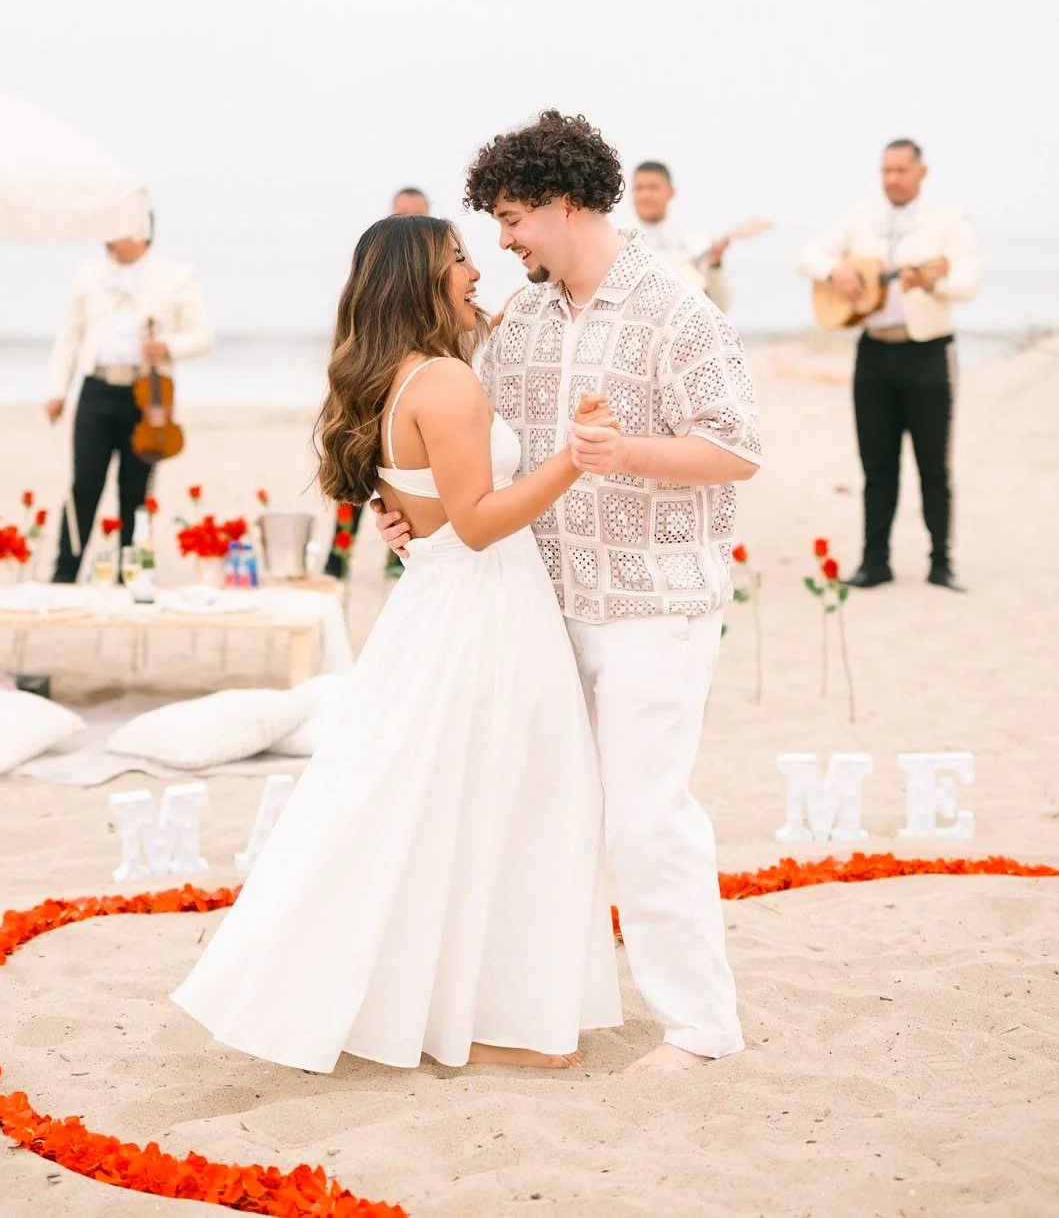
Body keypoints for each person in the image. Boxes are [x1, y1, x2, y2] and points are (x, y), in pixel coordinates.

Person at [172, 214, 622, 1072]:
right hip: (481, 612)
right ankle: (488, 1021)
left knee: (442, 804)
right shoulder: (445, 384)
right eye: (458, 258)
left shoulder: (395, 379)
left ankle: (458, 1008)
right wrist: (574, 457)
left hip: (440, 606)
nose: (475, 269)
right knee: (506, 801)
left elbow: (416, 505)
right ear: (420, 277)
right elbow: (481, 523)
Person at [378, 111, 762, 1071]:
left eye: (512, 219)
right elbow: (478, 453)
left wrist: (621, 452)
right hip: (538, 606)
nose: (501, 242)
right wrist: (410, 515)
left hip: (653, 607)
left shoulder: (680, 312)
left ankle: (702, 1031)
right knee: (545, 812)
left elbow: (737, 449)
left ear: (563, 204)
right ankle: (542, 1007)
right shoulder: (518, 326)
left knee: (645, 813)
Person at [797, 140, 980, 591]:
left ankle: (942, 562)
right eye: (886, 170)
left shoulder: (948, 222)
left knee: (933, 464)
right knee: (877, 465)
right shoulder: (860, 216)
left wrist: (933, 285)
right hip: (874, 351)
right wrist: (833, 271)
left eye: (901, 170)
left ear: (922, 172)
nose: (892, 178)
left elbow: (967, 281)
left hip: (928, 352)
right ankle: (875, 562)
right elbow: (807, 254)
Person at [45, 216, 213, 581]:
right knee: (84, 483)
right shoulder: (90, 274)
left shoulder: (176, 274)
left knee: (135, 490)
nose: (107, 236)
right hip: (96, 388)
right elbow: (69, 335)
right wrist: (58, 389)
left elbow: (203, 336)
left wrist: (166, 345)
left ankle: (131, 576)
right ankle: (65, 573)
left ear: (140, 231)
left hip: (148, 394)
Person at [323, 186, 432, 581]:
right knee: (355, 470)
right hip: (367, 384)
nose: (407, 221)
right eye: (401, 214)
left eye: (416, 214)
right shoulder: (371, 268)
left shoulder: (430, 277)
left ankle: (395, 556)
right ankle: (338, 554)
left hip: (408, 390)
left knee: (403, 475)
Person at [628, 160, 738, 311]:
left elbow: (722, 307)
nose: (645, 194)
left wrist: (715, 266)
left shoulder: (697, 243)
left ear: (671, 192)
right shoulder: (620, 242)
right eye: (638, 188)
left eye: (653, 188)